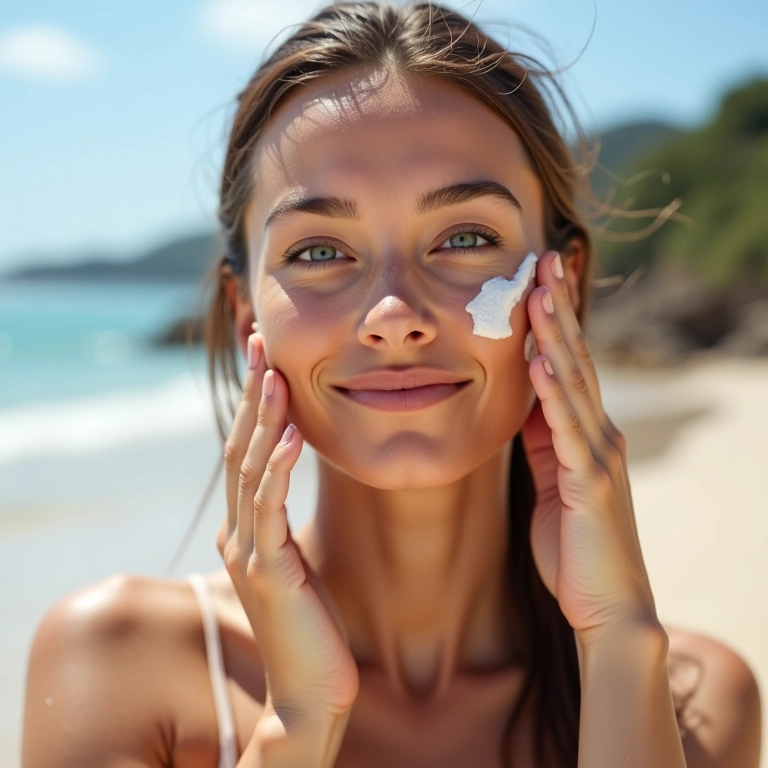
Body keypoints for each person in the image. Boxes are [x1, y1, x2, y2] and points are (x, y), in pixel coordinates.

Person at [21, 2, 762, 767]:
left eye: (466, 237)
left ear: (563, 286)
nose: (394, 316)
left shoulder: (694, 705)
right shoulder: (119, 667)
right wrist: (298, 723)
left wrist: (616, 637)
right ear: (246, 313)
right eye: (318, 251)